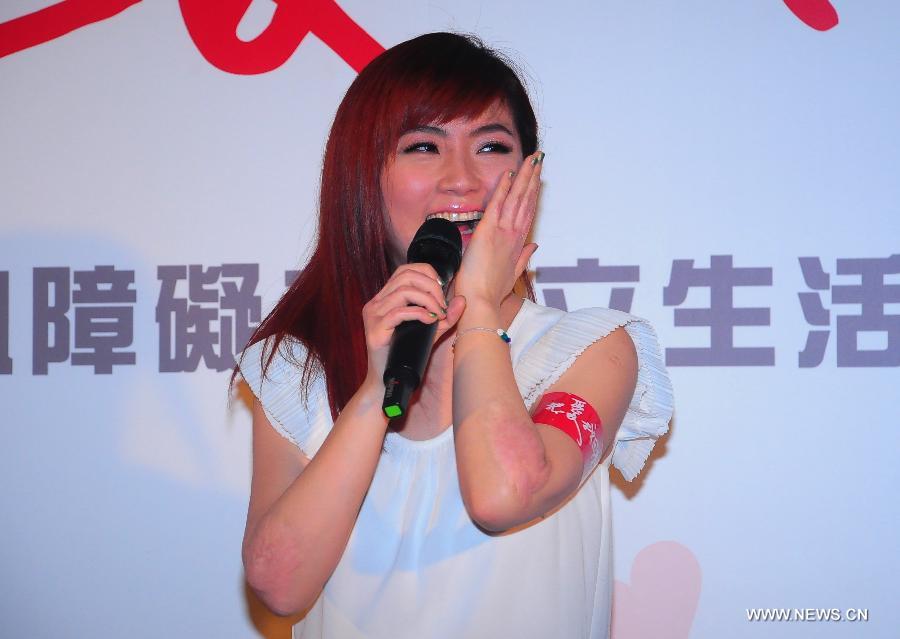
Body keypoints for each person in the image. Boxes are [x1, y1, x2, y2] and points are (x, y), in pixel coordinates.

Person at [236, 32, 674, 638]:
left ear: (529, 176)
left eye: (491, 146)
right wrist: (371, 392)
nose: (461, 181)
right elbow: (279, 584)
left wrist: (481, 312)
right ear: (365, 176)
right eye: (423, 146)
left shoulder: (589, 348)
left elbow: (503, 493)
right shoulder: (297, 366)